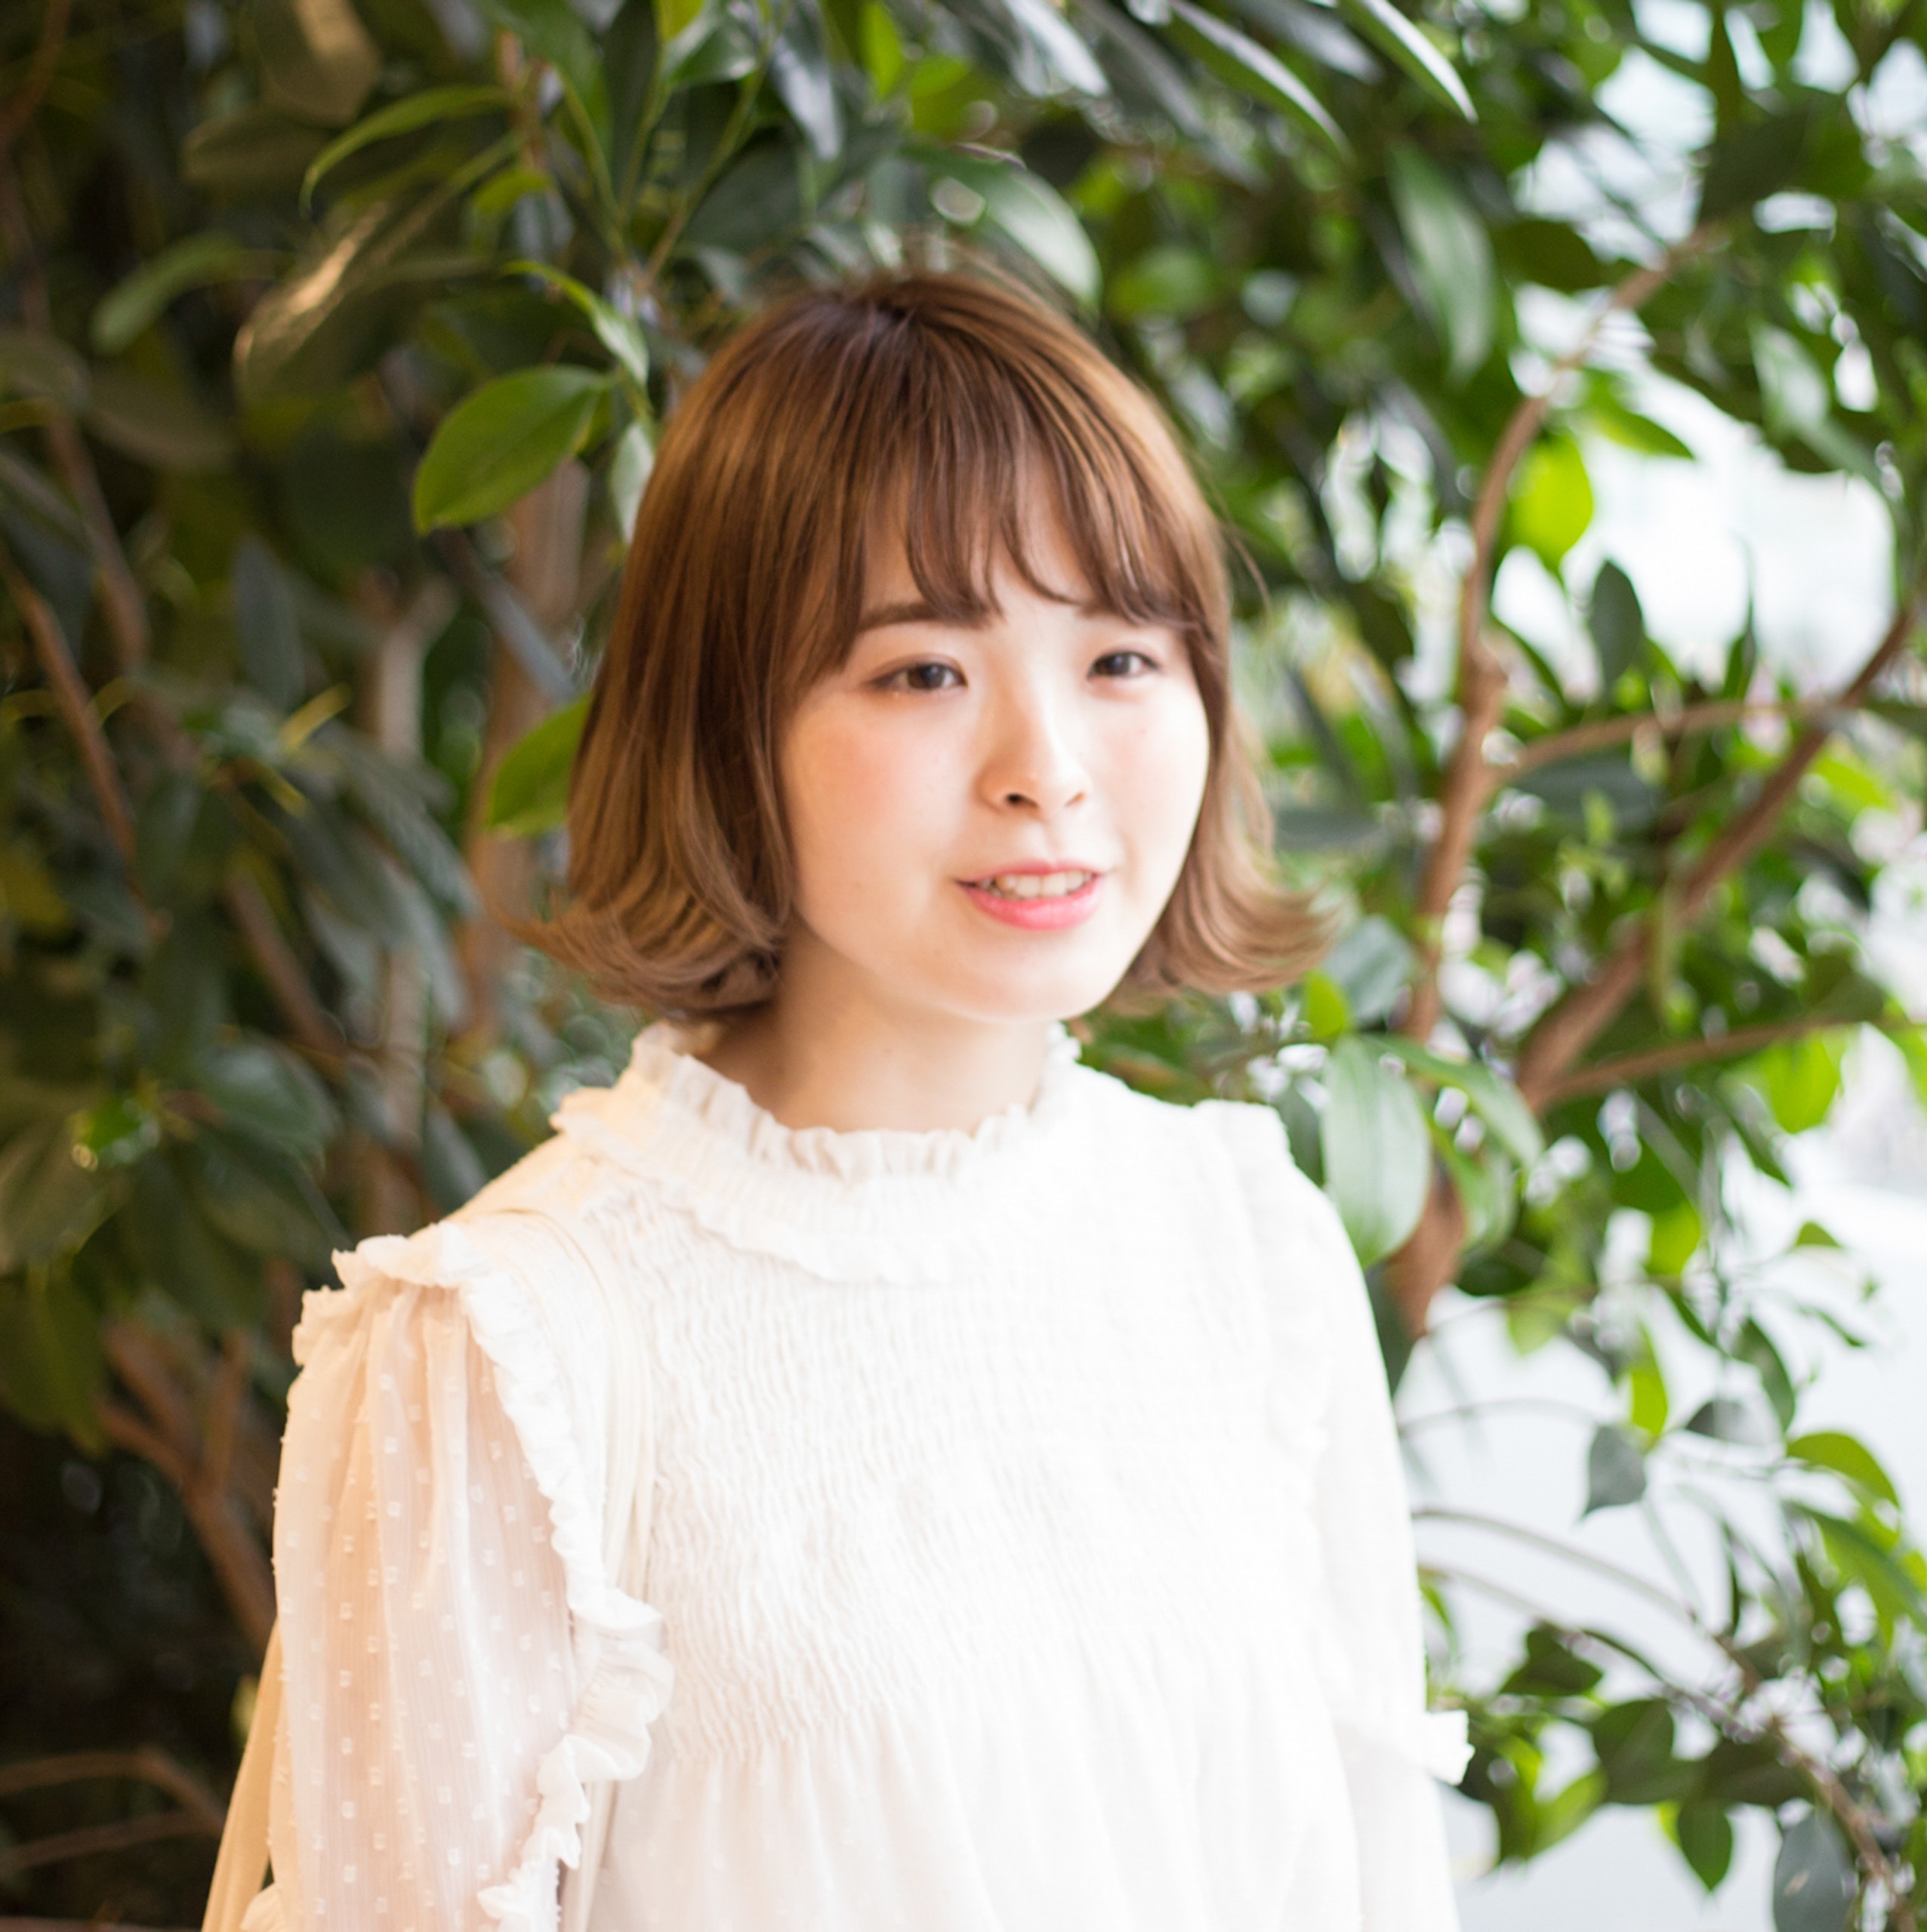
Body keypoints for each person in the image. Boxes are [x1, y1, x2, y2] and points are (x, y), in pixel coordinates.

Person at [219, 269, 1472, 1932]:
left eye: (1116, 653)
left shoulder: (1248, 1248)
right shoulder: (513, 1351)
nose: (1049, 764)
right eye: (922, 673)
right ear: (731, 726)